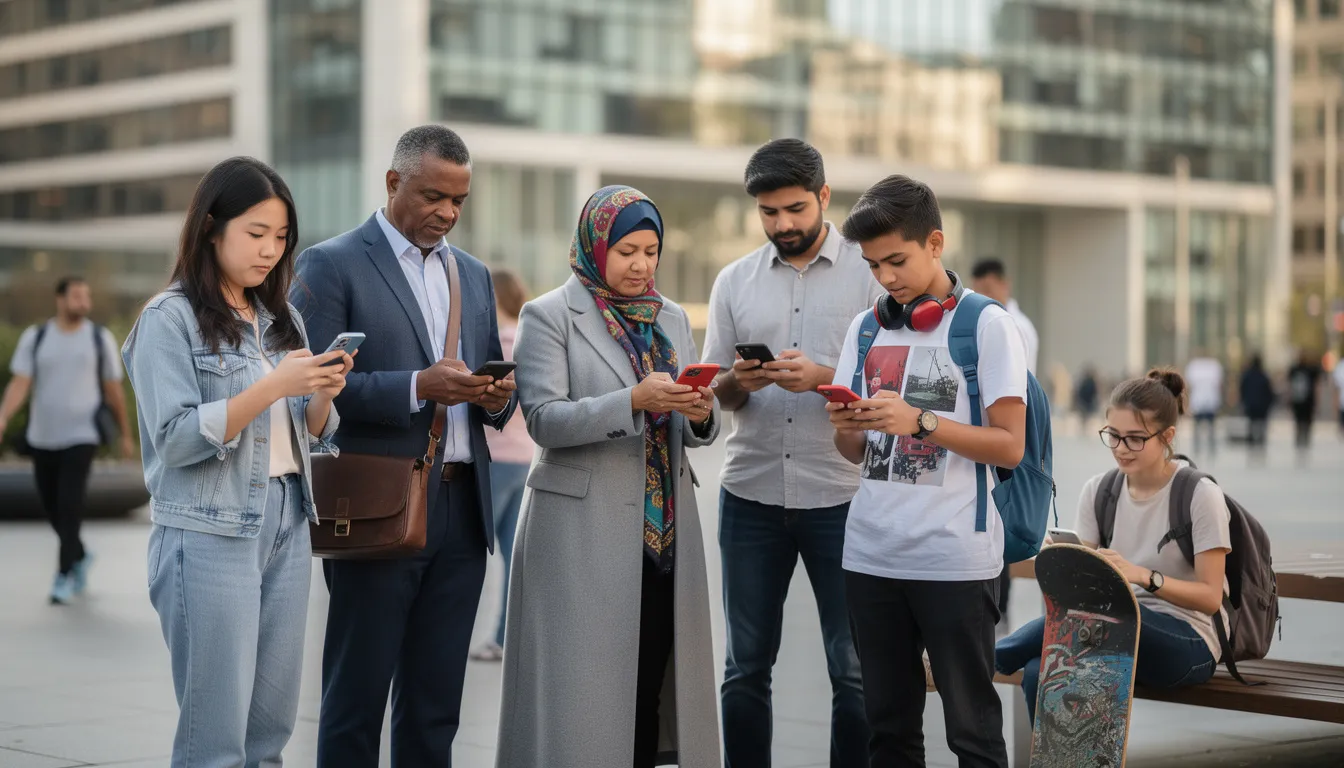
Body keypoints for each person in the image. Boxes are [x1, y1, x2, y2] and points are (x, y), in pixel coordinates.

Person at [293, 125, 517, 767]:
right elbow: (313, 385)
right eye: (431, 196)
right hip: (376, 507)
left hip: (462, 517)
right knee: (355, 701)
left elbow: (490, 373)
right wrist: (418, 385)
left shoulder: (473, 275)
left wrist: (496, 397)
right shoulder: (331, 263)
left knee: (435, 709)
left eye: (458, 201)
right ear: (394, 183)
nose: (446, 213)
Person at [121, 156, 351, 766]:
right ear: (211, 228)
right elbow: (174, 439)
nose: (271, 251)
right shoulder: (167, 320)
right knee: (215, 738)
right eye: (256, 234)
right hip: (208, 532)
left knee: (268, 733)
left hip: (288, 522)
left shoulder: (282, 319)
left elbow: (308, 435)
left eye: (281, 237)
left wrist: (323, 392)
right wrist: (274, 385)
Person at [496, 185, 721, 768]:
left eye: (651, 251)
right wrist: (633, 401)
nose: (641, 265)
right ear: (596, 247)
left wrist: (700, 411)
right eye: (626, 251)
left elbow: (699, 425)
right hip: (578, 532)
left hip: (664, 533)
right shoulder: (548, 316)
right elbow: (543, 420)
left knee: (650, 677)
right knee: (581, 692)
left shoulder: (670, 317)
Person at [827, 174, 1025, 767]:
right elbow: (853, 453)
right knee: (886, 731)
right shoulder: (865, 330)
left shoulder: (986, 327)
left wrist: (921, 421)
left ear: (935, 243)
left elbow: (1009, 447)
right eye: (872, 265)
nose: (885, 278)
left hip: (954, 563)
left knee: (972, 731)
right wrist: (847, 425)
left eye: (897, 260)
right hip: (870, 555)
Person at [700, 138, 879, 768]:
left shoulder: (869, 273)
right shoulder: (734, 281)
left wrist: (824, 374)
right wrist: (735, 385)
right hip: (749, 496)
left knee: (853, 670)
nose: (783, 225)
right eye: (769, 213)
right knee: (744, 666)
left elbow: (895, 385)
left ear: (825, 198)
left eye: (795, 209)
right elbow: (716, 387)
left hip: (845, 498)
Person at [995, 370, 1231, 723]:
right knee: (1036, 672)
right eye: (1114, 436)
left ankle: (986, 660)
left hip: (1189, 643)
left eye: (1135, 439)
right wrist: (1064, 561)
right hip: (1111, 631)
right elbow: (1079, 596)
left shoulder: (1200, 495)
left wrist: (1144, 577)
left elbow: (1211, 598)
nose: (1121, 448)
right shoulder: (1100, 491)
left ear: (1167, 436)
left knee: (1111, 618)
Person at [0, 276, 134, 604]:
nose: (83, 301)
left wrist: (126, 434)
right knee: (52, 508)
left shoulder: (98, 338)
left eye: (86, 295)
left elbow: (113, 391)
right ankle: (80, 554)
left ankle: (63, 575)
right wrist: (3, 415)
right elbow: (21, 383)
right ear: (60, 299)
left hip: (82, 436)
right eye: (76, 295)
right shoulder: (37, 337)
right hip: (42, 437)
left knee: (69, 506)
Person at [970, 257, 1039, 630]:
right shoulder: (994, 320)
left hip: (1010, 434)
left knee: (1003, 523)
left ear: (1002, 284)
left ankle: (999, 612)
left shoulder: (1013, 327)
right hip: (994, 434)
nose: (980, 296)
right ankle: (996, 610)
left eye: (986, 289)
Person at [470, 268, 534, 663]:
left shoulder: (497, 344)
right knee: (513, 556)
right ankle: (504, 638)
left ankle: (449, 632)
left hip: (495, 459)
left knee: (468, 552)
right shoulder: (527, 343)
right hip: (523, 458)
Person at [970, 257, 1038, 375]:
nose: (981, 298)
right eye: (976, 292)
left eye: (987, 290)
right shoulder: (979, 322)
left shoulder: (1019, 326)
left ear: (1005, 285)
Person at [1185, 350, 1223, 456]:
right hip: (1210, 401)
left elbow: (1189, 386)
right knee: (1210, 427)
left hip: (1198, 401)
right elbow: (1219, 385)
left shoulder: (1194, 366)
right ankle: (1210, 449)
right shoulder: (1214, 366)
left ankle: (1198, 449)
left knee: (1198, 427)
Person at [1237, 354, 1274, 454]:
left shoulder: (1247, 375)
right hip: (1262, 405)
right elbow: (1269, 392)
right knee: (1261, 425)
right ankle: (1260, 443)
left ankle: (1252, 444)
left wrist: (1243, 402)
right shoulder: (1264, 376)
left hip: (1250, 404)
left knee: (1251, 425)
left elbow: (1242, 390)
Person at [1288, 350, 1322, 450]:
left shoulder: (1310, 370)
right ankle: (1301, 439)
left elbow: (1316, 386)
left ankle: (1303, 439)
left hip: (1305, 400)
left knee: (1304, 421)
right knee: (1300, 421)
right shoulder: (1295, 369)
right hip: (1300, 400)